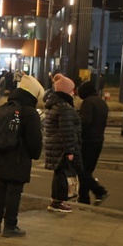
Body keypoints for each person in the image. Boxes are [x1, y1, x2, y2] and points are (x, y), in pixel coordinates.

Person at [0, 74, 44, 237]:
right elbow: (34, 140)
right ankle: (10, 226)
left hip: (3, 155)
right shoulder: (30, 112)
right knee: (14, 190)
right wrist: (35, 153)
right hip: (19, 157)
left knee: (1, 187)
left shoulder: (8, 106)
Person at [44, 73, 82, 213]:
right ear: (66, 91)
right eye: (71, 89)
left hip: (56, 145)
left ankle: (56, 200)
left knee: (59, 173)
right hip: (61, 146)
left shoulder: (56, 105)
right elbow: (67, 131)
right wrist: (70, 150)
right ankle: (59, 201)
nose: (73, 92)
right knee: (62, 174)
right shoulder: (64, 107)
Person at [77, 80, 109, 205]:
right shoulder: (101, 102)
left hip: (88, 141)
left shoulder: (88, 102)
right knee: (87, 170)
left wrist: (77, 127)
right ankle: (83, 198)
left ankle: (99, 191)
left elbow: (85, 122)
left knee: (82, 170)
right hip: (98, 140)